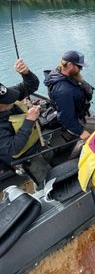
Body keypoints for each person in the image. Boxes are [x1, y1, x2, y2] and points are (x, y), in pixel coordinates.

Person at [0, 59, 51, 188]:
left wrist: (26, 73)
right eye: (8, 100)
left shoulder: (7, 95)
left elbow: (31, 86)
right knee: (45, 181)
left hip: (38, 143)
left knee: (49, 162)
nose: (13, 99)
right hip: (26, 160)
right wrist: (29, 120)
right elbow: (12, 147)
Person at [44, 50, 95, 156]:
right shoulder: (64, 91)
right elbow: (65, 117)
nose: (81, 69)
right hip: (78, 118)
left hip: (80, 109)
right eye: (79, 66)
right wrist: (81, 132)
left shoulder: (61, 72)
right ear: (70, 65)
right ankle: (74, 157)